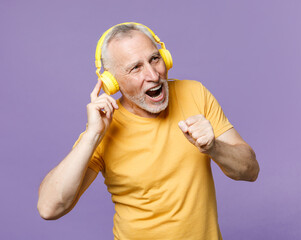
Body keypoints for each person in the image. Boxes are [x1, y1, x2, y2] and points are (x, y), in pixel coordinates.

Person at [37, 22, 260, 240]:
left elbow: (250, 171)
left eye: (155, 59)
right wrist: (92, 136)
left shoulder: (195, 94)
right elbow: (49, 208)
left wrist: (213, 147)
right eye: (135, 68)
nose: (154, 75)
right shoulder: (105, 128)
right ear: (112, 82)